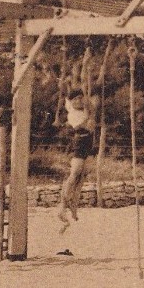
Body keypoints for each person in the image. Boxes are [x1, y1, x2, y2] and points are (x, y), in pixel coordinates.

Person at [57, 89, 96, 232]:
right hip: (79, 142)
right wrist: (89, 119)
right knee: (75, 173)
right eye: (76, 99)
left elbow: (90, 108)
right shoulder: (72, 113)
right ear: (71, 101)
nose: (79, 101)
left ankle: (74, 204)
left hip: (88, 142)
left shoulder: (83, 109)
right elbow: (79, 126)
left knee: (82, 176)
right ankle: (62, 205)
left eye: (81, 98)